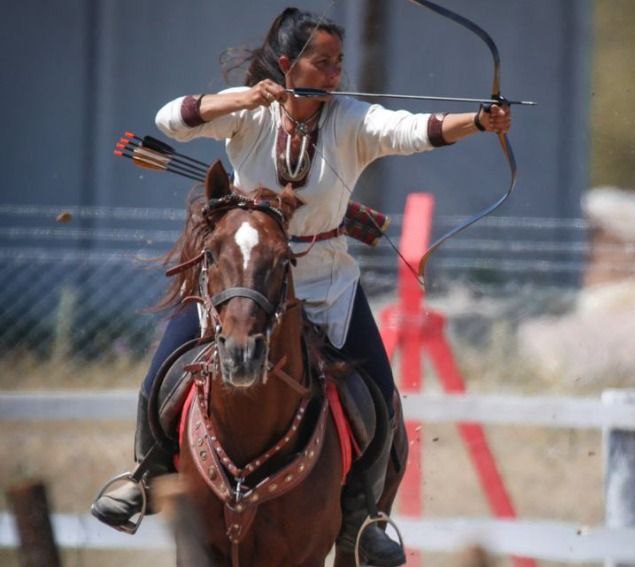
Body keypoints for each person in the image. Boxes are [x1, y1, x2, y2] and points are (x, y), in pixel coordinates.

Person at [92, 7, 511, 566]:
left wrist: (478, 122)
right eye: (323, 62)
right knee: (165, 370)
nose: (335, 74)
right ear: (289, 65)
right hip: (242, 276)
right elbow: (171, 119)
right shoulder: (250, 115)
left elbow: (416, 130)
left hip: (325, 281)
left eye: (339, 63)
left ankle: (365, 520)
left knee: (381, 400)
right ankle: (142, 477)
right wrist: (236, 100)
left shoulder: (350, 121)